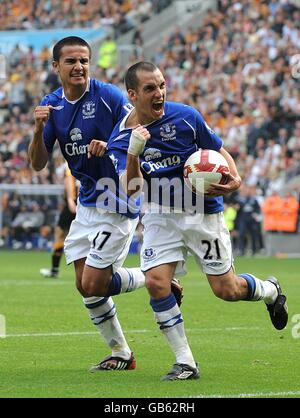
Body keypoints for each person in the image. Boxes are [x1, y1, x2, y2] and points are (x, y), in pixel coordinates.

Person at [107, 61, 288, 381]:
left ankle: (270, 290)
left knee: (227, 290)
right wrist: (135, 152)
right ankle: (185, 362)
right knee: (156, 283)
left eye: (162, 85)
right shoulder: (121, 139)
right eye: (150, 89)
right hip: (160, 214)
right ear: (133, 95)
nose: (159, 93)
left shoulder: (186, 116)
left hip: (203, 213)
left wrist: (235, 178)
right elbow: (132, 189)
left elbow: (218, 150)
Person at [28, 37, 181, 372]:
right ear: (56, 67)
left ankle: (155, 278)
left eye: (84, 60)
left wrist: (111, 144)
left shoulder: (108, 96)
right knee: (84, 286)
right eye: (71, 61)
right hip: (86, 202)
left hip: (118, 198)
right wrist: (39, 130)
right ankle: (122, 354)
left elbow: (141, 130)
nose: (79, 67)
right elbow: (38, 163)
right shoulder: (51, 106)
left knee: (95, 283)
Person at [40, 166, 77, 278]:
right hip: (84, 204)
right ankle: (55, 269)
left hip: (74, 206)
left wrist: (70, 201)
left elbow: (69, 183)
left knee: (60, 235)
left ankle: (55, 269)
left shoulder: (71, 167)